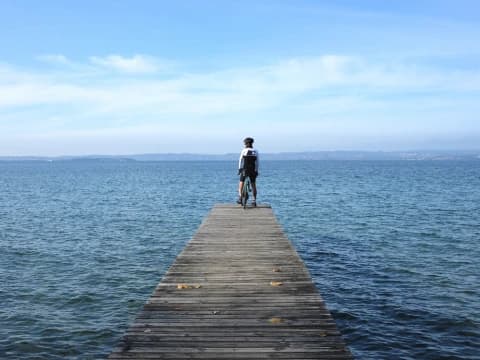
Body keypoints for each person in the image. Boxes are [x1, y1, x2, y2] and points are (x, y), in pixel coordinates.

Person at [237, 137, 259, 206]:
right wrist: (256, 170)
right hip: (252, 169)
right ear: (252, 143)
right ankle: (254, 200)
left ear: (245, 143)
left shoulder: (244, 150)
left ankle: (240, 197)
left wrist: (239, 168)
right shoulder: (255, 151)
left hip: (245, 169)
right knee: (253, 184)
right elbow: (257, 162)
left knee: (241, 182)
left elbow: (240, 160)